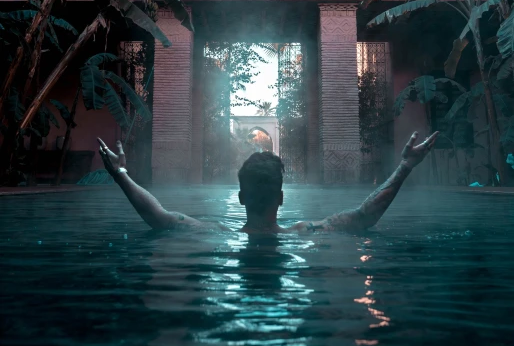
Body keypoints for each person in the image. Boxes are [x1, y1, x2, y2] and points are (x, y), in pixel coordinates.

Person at [98, 130, 438, 234]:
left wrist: (121, 174)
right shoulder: (308, 232)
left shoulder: (211, 232)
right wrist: (406, 165)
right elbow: (365, 216)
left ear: (241, 196)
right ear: (281, 197)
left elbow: (158, 216)